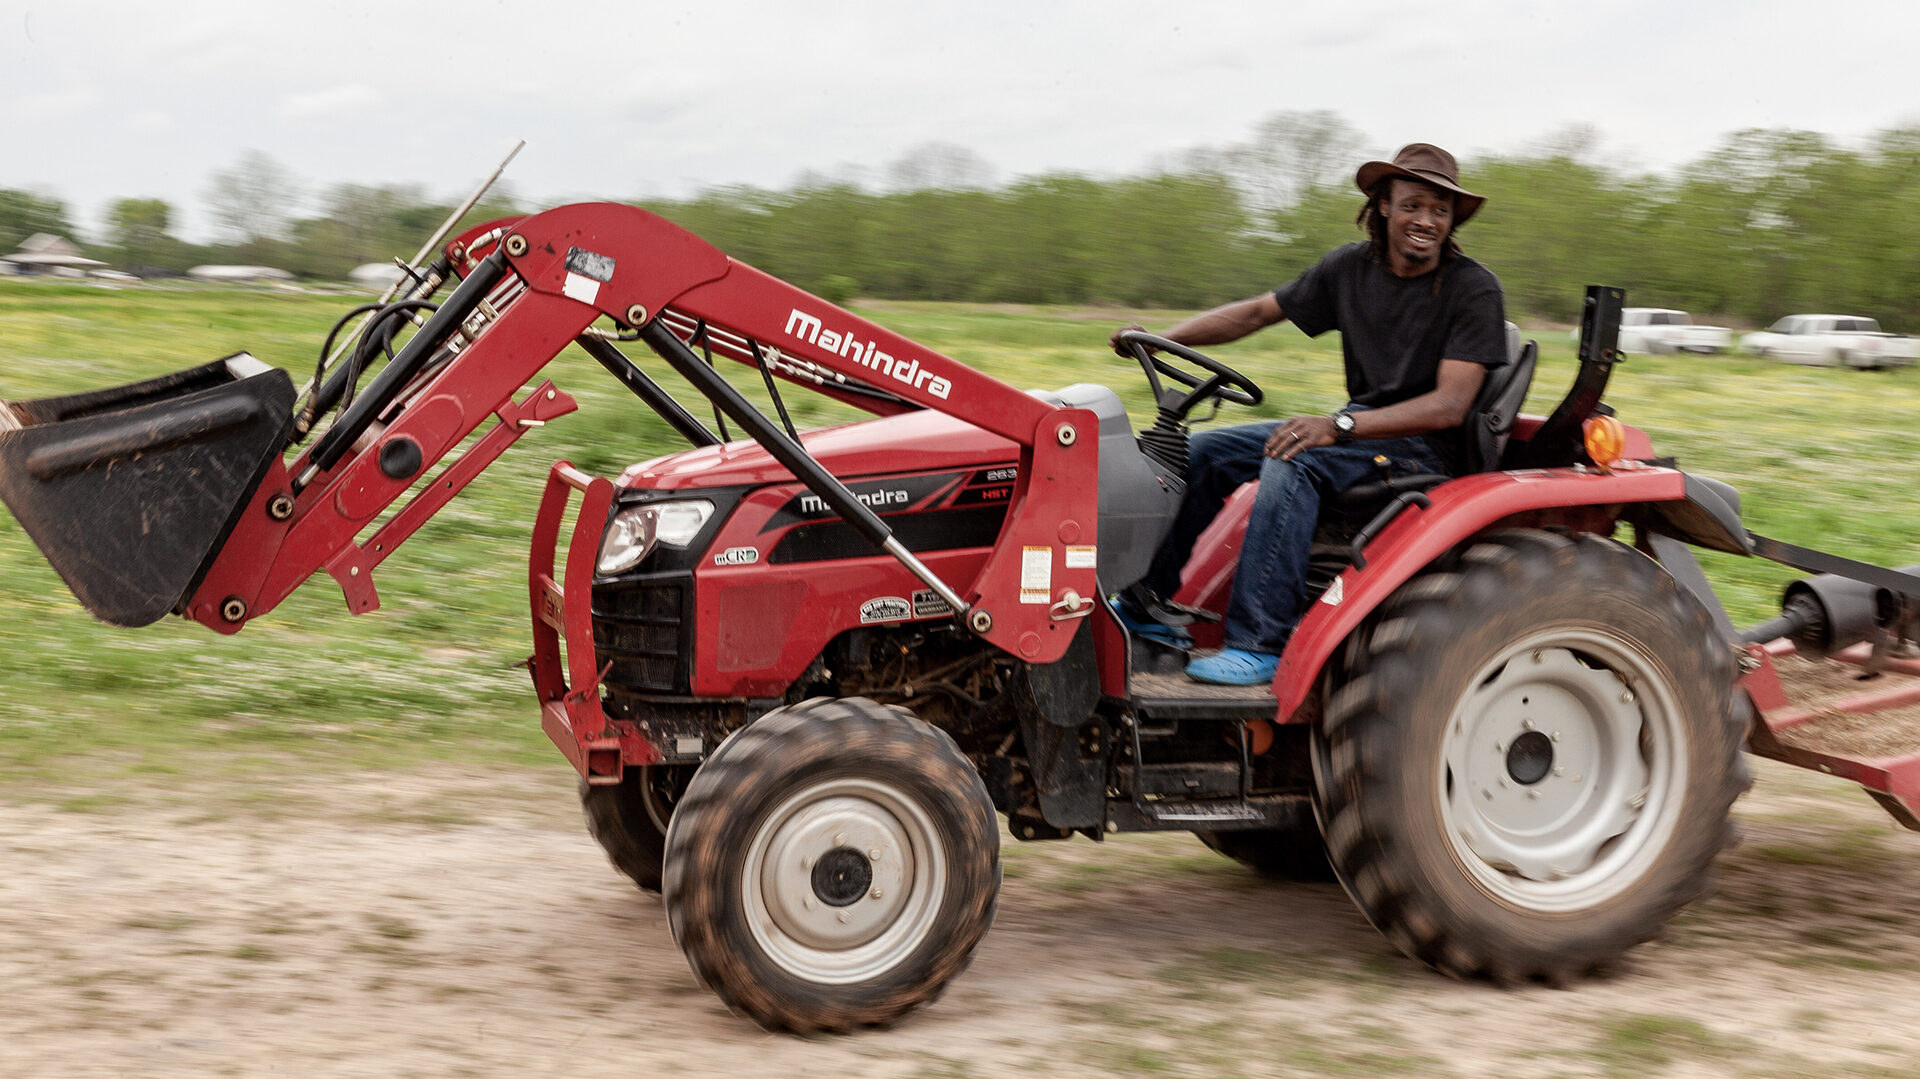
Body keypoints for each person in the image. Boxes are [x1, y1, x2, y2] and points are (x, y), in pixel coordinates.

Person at [1111, 143, 1507, 686]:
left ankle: (1259, 642)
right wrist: (1159, 339)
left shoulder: (1473, 288)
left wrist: (1339, 425)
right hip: (1361, 427)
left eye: (1440, 211)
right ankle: (1146, 606)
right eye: (1414, 205)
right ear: (1384, 205)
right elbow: (1256, 313)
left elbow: (1448, 405)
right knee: (1202, 453)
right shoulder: (1349, 269)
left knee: (1294, 457)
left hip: (1423, 445)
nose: (1427, 221)